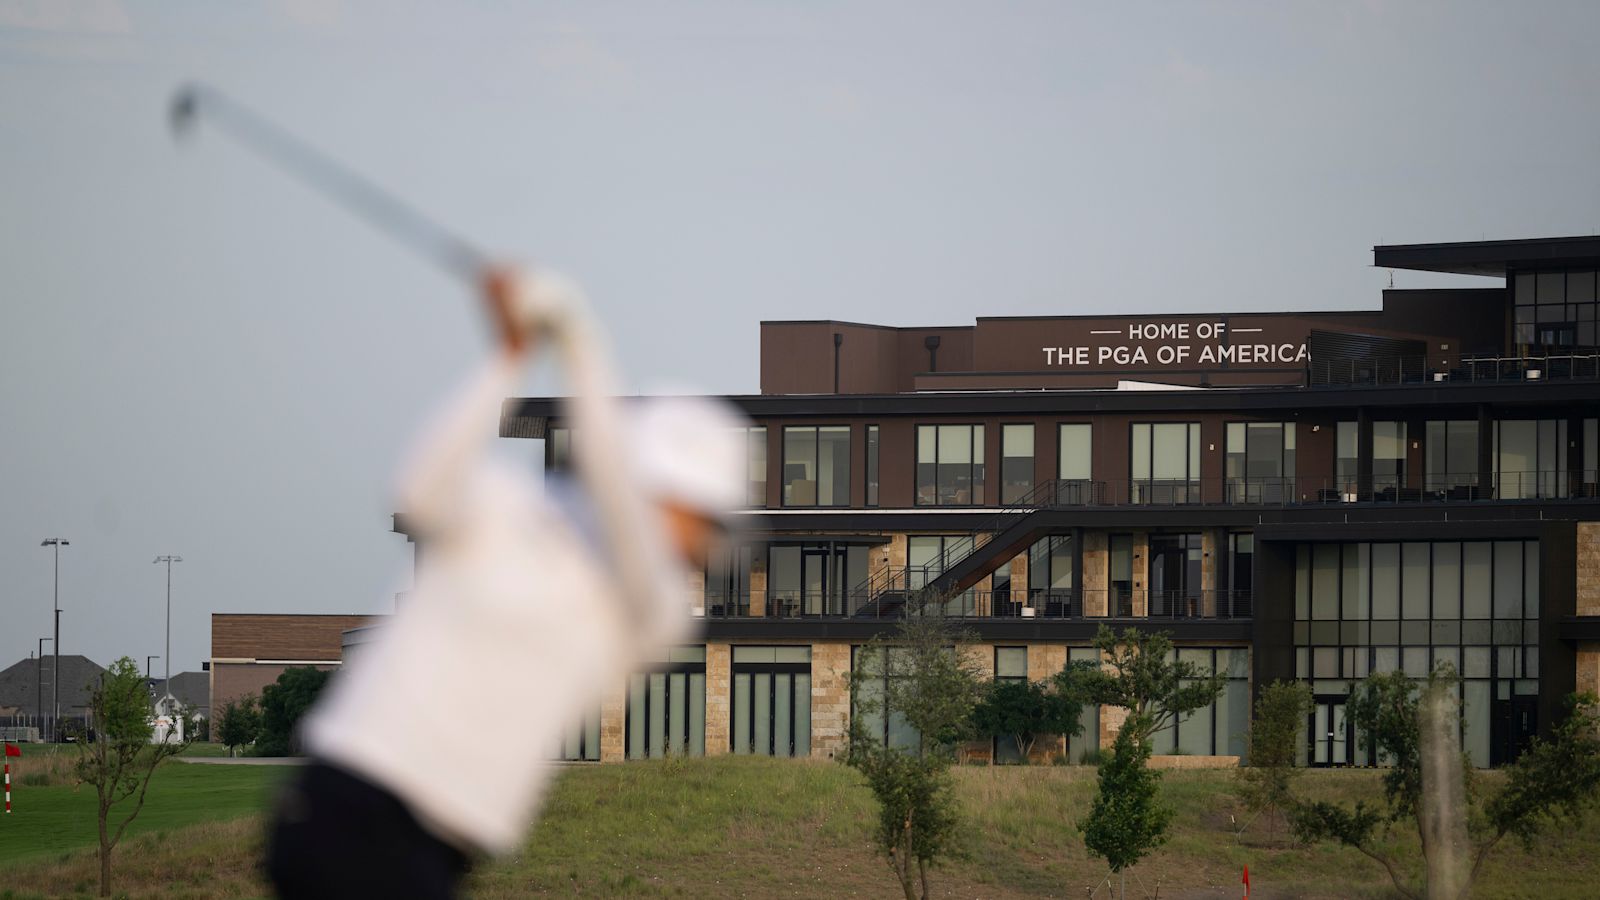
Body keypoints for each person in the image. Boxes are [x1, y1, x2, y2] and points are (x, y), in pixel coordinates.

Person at [266, 268, 747, 898]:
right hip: (341, 796)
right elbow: (417, 491)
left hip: (436, 852)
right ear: (658, 489)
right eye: (696, 515)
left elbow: (622, 509)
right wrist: (510, 359)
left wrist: (578, 339)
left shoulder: (655, 609)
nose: (700, 540)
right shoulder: (506, 503)